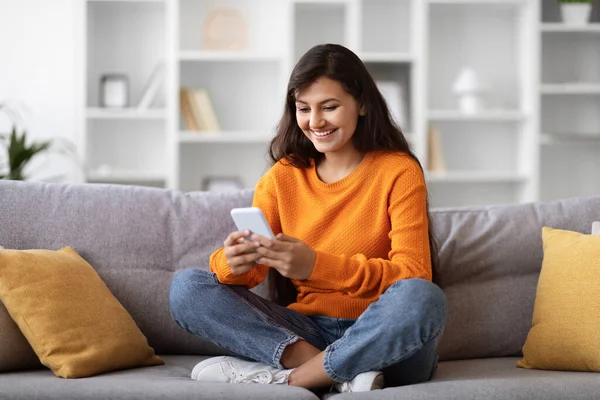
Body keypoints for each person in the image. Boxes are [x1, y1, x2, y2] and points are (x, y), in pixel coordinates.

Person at [169, 43, 448, 393]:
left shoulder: (398, 170)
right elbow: (254, 271)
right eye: (304, 109)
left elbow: (413, 274)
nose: (315, 122)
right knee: (187, 288)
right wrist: (231, 262)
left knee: (423, 298)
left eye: (329, 107)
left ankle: (298, 377)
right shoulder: (282, 177)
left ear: (361, 104)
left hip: (384, 334)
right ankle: (346, 374)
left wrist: (315, 265)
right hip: (308, 330)